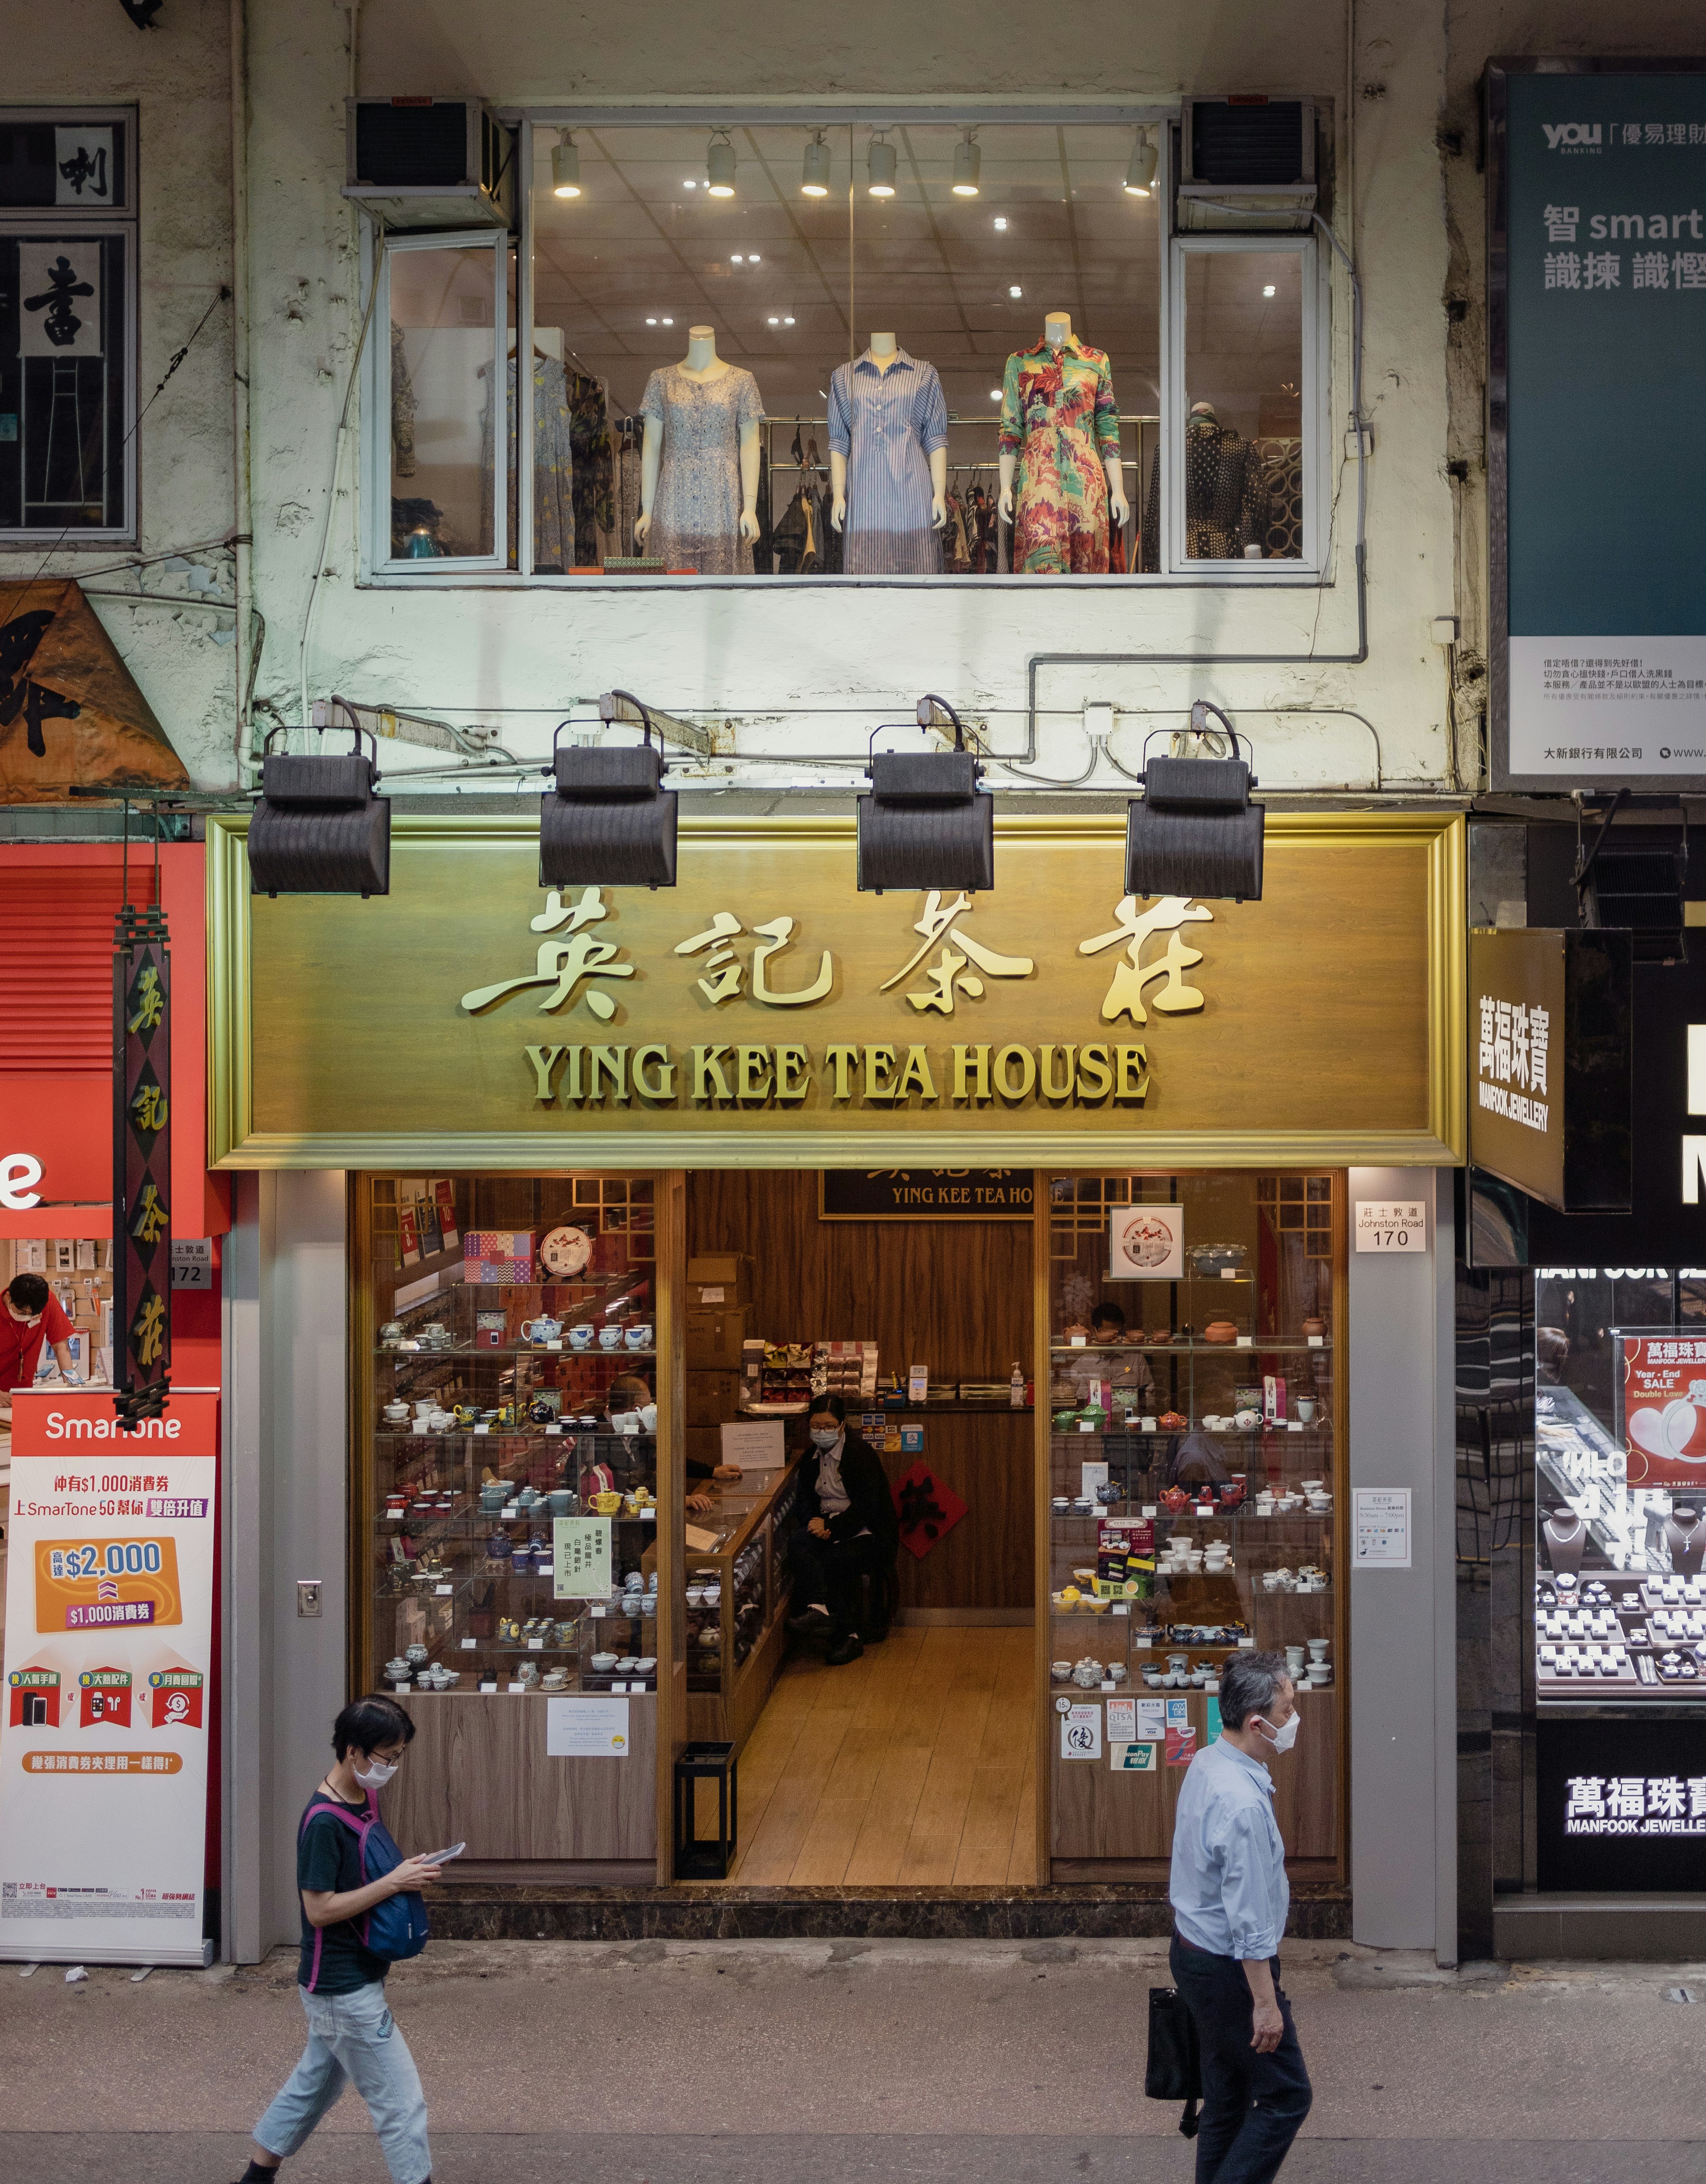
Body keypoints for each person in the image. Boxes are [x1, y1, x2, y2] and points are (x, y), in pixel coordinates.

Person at [238, 1694, 443, 2184]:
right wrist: (395, 1882)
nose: (392, 1767)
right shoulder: (323, 1822)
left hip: (349, 1980)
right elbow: (318, 1909)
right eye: (386, 1757)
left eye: (398, 1757)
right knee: (402, 2104)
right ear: (354, 1751)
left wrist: (399, 1872)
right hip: (341, 1987)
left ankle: (255, 2178)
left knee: (315, 2085)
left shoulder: (361, 1796)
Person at [1168, 1650, 1312, 2184]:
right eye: (1286, 1709)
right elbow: (1249, 1920)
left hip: (1193, 1951)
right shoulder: (1242, 1804)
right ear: (1257, 1723)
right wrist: (1265, 2005)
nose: (1293, 1719)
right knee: (1284, 2095)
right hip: (1229, 1969)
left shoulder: (1211, 1760)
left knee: (1227, 2097)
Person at [784, 1393, 898, 1666]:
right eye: (816, 1426)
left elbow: (868, 1507)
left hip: (869, 1532)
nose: (822, 1432)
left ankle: (848, 1636)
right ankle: (819, 1609)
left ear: (842, 1425)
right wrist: (813, 1522)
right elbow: (805, 1500)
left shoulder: (860, 1454)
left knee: (833, 1561)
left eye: (828, 1426)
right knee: (798, 1544)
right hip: (827, 1526)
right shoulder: (811, 1458)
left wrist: (833, 1529)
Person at [606, 1369, 741, 1513]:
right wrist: (676, 1500)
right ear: (636, 1409)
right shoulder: (600, 1437)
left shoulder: (635, 1427)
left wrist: (712, 1472)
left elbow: (664, 1459)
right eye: (648, 1406)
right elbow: (625, 1487)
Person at [0, 1273, 82, 1403]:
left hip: (23, 1396)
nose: (29, 1318)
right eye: (23, 1313)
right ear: (9, 1297)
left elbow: (61, 1346)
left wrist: (74, 1385)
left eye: (35, 1315)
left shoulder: (47, 1301)